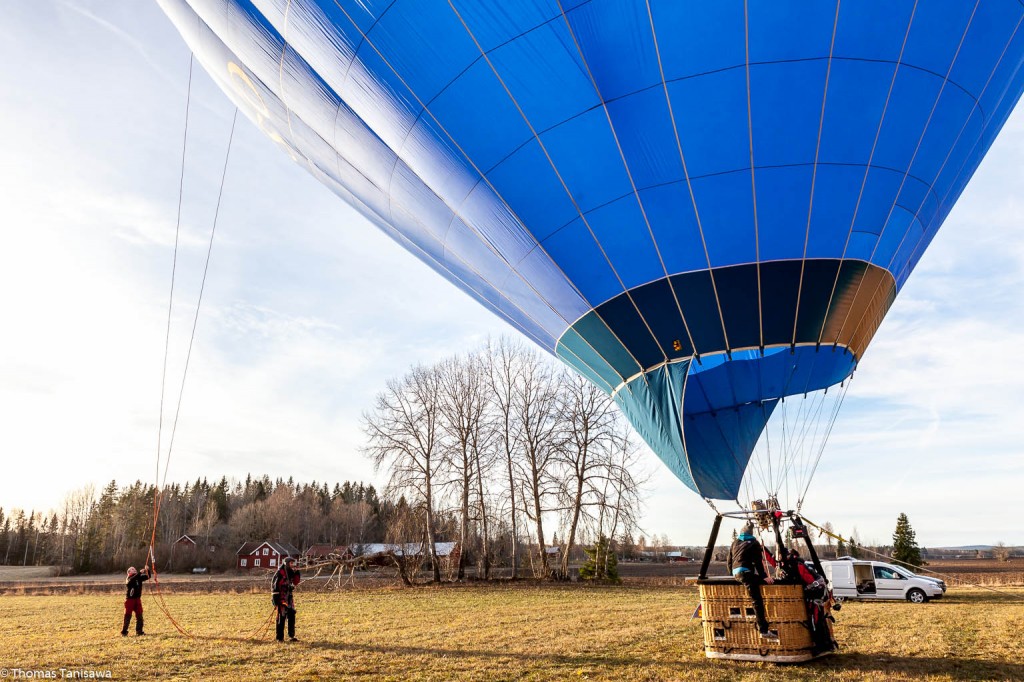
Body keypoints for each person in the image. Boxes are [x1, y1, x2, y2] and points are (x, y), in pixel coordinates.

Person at [728, 522, 775, 638]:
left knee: (754, 582)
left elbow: (729, 561)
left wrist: (732, 574)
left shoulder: (735, 542)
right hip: (747, 573)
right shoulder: (754, 543)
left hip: (736, 573)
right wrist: (765, 577)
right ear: (752, 533)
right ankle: (763, 630)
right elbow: (758, 562)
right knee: (757, 601)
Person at [272, 556, 301, 642]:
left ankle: (291, 636)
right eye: (291, 563)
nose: (292, 565)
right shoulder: (280, 573)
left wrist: (297, 573)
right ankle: (280, 638)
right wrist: (275, 599)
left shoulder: (291, 572)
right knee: (282, 617)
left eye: (293, 563)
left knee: (292, 615)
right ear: (286, 563)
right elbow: (275, 586)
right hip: (281, 598)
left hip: (289, 597)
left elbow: (295, 582)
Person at [121, 565, 150, 636]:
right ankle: (124, 632)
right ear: (129, 572)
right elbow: (132, 580)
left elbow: (148, 576)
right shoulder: (128, 578)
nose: (134, 569)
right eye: (132, 569)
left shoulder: (139, 577)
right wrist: (139, 573)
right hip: (130, 600)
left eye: (134, 569)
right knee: (128, 616)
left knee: (140, 616)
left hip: (137, 600)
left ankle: (139, 631)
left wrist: (147, 570)